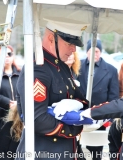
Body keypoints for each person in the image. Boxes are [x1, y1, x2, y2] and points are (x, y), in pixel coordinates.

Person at [16, 17, 90, 160]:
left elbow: (83, 100)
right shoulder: (37, 68)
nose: (74, 49)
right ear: (51, 38)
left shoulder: (61, 67)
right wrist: (74, 128)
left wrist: (77, 104)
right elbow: (37, 119)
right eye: (69, 43)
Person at [77, 39, 119, 160]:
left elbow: (113, 97)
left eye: (97, 51)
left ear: (100, 52)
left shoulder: (111, 70)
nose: (94, 54)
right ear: (87, 52)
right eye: (91, 51)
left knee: (96, 153)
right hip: (79, 116)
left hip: (100, 118)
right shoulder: (77, 67)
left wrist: (110, 118)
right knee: (78, 151)